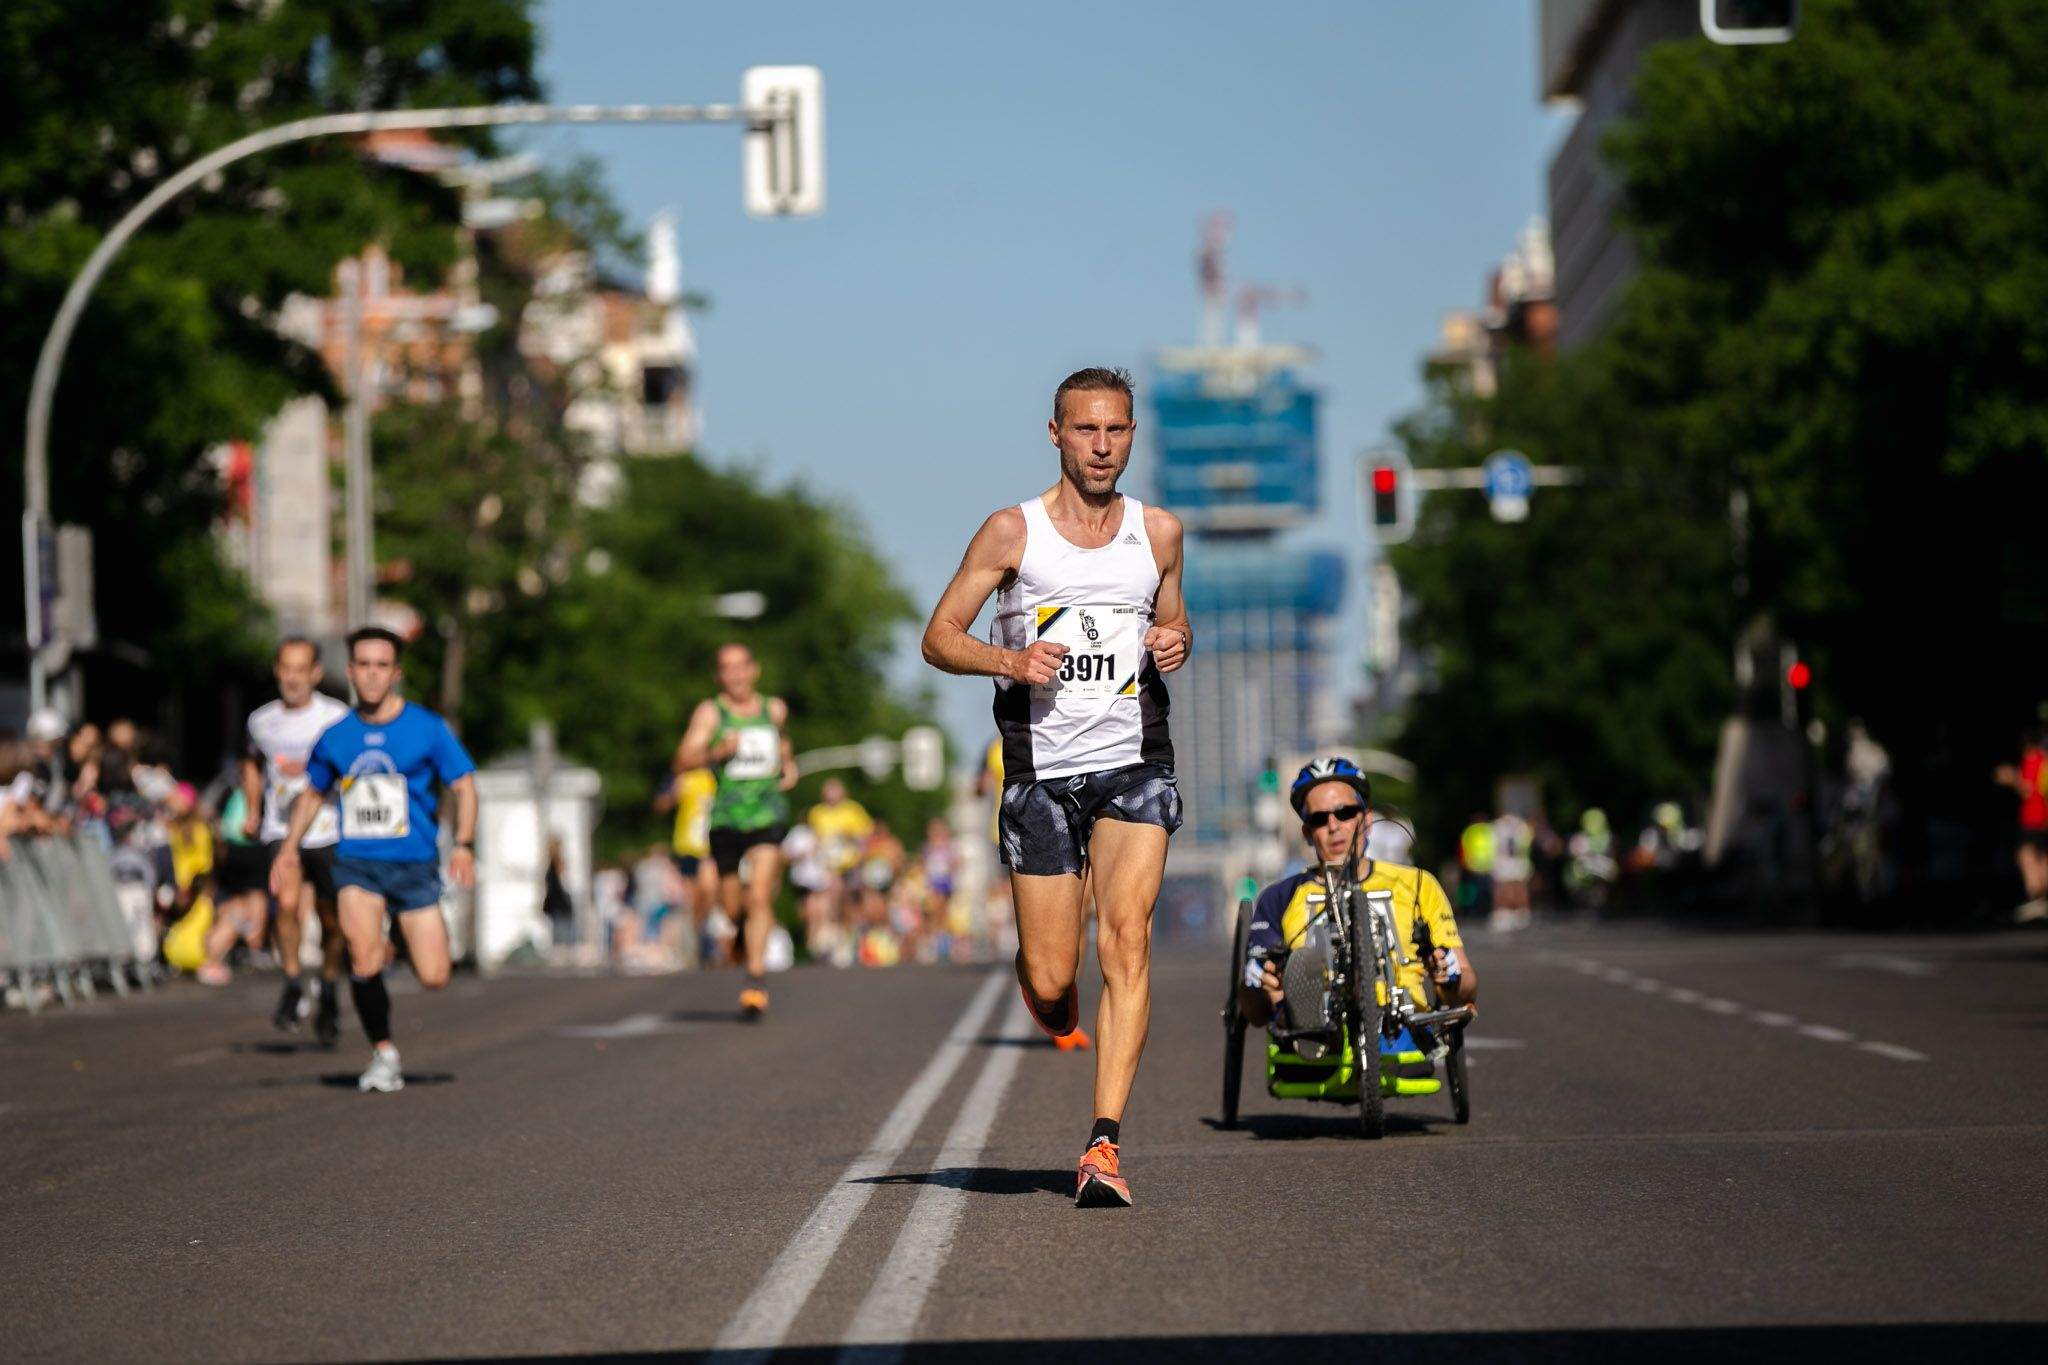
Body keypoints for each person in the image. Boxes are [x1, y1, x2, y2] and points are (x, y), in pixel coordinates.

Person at [921, 366, 1190, 1207]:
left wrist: (1177, 639)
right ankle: (1048, 981)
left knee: (1130, 938)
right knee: (1050, 976)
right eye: (1086, 430)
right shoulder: (1012, 532)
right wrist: (1010, 659)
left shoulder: (1161, 533)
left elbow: (1172, 619)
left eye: (1117, 431)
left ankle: (1103, 1143)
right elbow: (937, 637)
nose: (1102, 446)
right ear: (1056, 433)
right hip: (1039, 772)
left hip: (1133, 761)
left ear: (1133, 435)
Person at [271, 627, 477, 1094]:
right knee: (361, 957)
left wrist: (463, 843)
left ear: (396, 673)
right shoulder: (336, 737)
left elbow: (464, 784)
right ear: (349, 672)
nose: (371, 674)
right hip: (357, 863)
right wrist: (288, 849)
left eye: (381, 665)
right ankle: (383, 1052)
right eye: (363, 664)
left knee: (435, 976)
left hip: (414, 865)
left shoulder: (426, 728)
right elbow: (312, 793)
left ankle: (400, 939)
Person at [1239, 759, 1477, 1038]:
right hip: (1316, 1043)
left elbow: (1467, 984)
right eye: (1319, 819)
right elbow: (1255, 1015)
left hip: (1402, 1028)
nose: (1333, 826)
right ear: (1307, 833)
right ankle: (1307, 1015)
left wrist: (1449, 974)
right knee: (1291, 977)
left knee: (1436, 984)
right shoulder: (1279, 897)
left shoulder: (1417, 884)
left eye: (1345, 813)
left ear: (1366, 821)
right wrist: (1255, 983)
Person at [674, 642, 797, 1019]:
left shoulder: (773, 709)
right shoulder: (711, 713)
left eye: (742, 666)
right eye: (728, 668)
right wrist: (715, 752)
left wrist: (788, 766)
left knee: (759, 896)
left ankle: (755, 980)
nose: (737, 674)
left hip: (767, 817)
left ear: (754, 670)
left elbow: (784, 743)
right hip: (727, 820)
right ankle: (742, 933)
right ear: (719, 676)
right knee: (731, 907)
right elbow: (681, 760)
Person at [244, 637, 352, 1041]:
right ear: (277, 670)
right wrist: (253, 808)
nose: (292, 678)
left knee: (331, 919)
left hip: (327, 828)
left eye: (300, 669)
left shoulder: (335, 716)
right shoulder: (261, 720)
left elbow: (351, 769)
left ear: (315, 674)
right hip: (280, 828)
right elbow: (253, 764)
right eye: (286, 668)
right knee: (285, 904)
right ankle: (292, 983)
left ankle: (327, 985)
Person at [1994, 725, 2048, 922]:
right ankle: (2042, 900)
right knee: (2042, 856)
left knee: (2026, 855)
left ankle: (2037, 897)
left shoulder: (2032, 760)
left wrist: (2011, 778)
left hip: (2033, 817)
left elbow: (2027, 789)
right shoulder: (2045, 761)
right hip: (2044, 818)